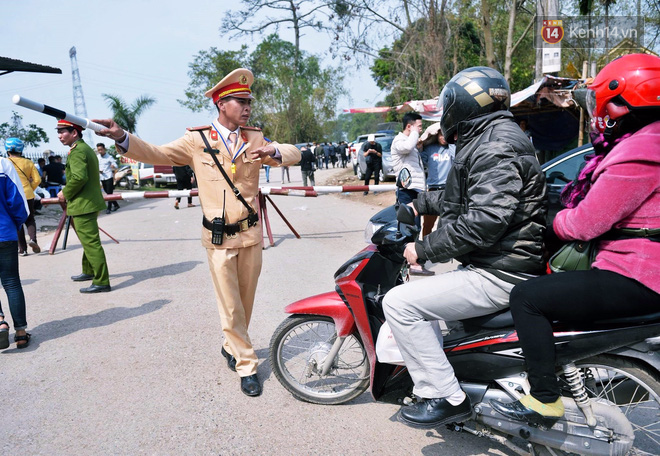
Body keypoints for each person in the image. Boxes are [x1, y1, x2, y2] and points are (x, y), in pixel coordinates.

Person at [94, 68, 301, 397]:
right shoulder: (197, 140)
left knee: (245, 302)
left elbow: (293, 152)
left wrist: (274, 152)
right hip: (219, 239)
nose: (248, 107)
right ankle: (247, 365)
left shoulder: (255, 137)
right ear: (221, 103)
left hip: (250, 236)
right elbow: (158, 154)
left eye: (250, 101)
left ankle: (230, 345)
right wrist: (122, 137)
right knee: (231, 305)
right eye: (241, 101)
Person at [491, 54, 660, 427]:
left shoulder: (640, 152)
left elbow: (586, 224)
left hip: (637, 273)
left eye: (600, 100)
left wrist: (551, 223)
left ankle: (544, 397)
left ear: (620, 100)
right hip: (642, 269)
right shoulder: (648, 141)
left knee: (528, 297)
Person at [382, 66, 546, 428]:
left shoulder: (495, 146)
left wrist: (423, 249)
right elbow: (465, 197)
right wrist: (417, 204)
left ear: (462, 104)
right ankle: (472, 388)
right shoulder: (492, 138)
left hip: (501, 270)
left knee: (400, 303)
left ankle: (445, 395)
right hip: (498, 262)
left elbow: (485, 220)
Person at [56, 120, 111, 294]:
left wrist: (65, 192)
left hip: (83, 204)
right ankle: (88, 271)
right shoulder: (84, 148)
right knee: (88, 241)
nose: (59, 136)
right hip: (89, 202)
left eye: (62, 132)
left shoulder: (78, 151)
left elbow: (79, 178)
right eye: (58, 132)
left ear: (74, 133)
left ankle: (102, 281)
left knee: (91, 243)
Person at [391, 112, 431, 275]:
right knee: (410, 227)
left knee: (415, 226)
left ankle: (410, 261)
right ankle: (411, 263)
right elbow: (407, 147)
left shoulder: (410, 143)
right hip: (407, 191)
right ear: (409, 126)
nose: (420, 130)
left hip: (414, 190)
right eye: (419, 126)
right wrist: (414, 134)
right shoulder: (399, 141)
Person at [0, 157, 31, 349]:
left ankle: (0, 322)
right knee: (11, 282)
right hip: (5, 232)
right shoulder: (3, 164)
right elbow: (18, 202)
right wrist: (15, 225)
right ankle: (20, 333)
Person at [6, 137, 42, 256]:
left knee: (18, 221)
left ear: (7, 150)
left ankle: (22, 249)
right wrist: (29, 189)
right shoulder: (29, 162)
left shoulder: (5, 162)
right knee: (30, 218)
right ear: (21, 149)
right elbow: (37, 179)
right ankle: (33, 239)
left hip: (12, 195)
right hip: (28, 194)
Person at [419, 123, 455, 237]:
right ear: (437, 136)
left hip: (448, 190)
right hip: (433, 190)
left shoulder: (451, 149)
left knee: (447, 223)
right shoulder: (429, 149)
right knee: (428, 224)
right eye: (441, 135)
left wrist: (452, 143)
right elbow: (421, 161)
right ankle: (424, 247)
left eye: (446, 135)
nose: (443, 138)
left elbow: (456, 158)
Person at [97, 143, 120, 214]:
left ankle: (109, 208)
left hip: (108, 177)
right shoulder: (97, 157)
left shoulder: (109, 157)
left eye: (101, 149)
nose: (100, 151)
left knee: (109, 193)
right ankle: (116, 205)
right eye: (98, 150)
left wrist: (113, 166)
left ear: (104, 149)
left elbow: (116, 165)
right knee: (107, 192)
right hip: (102, 177)